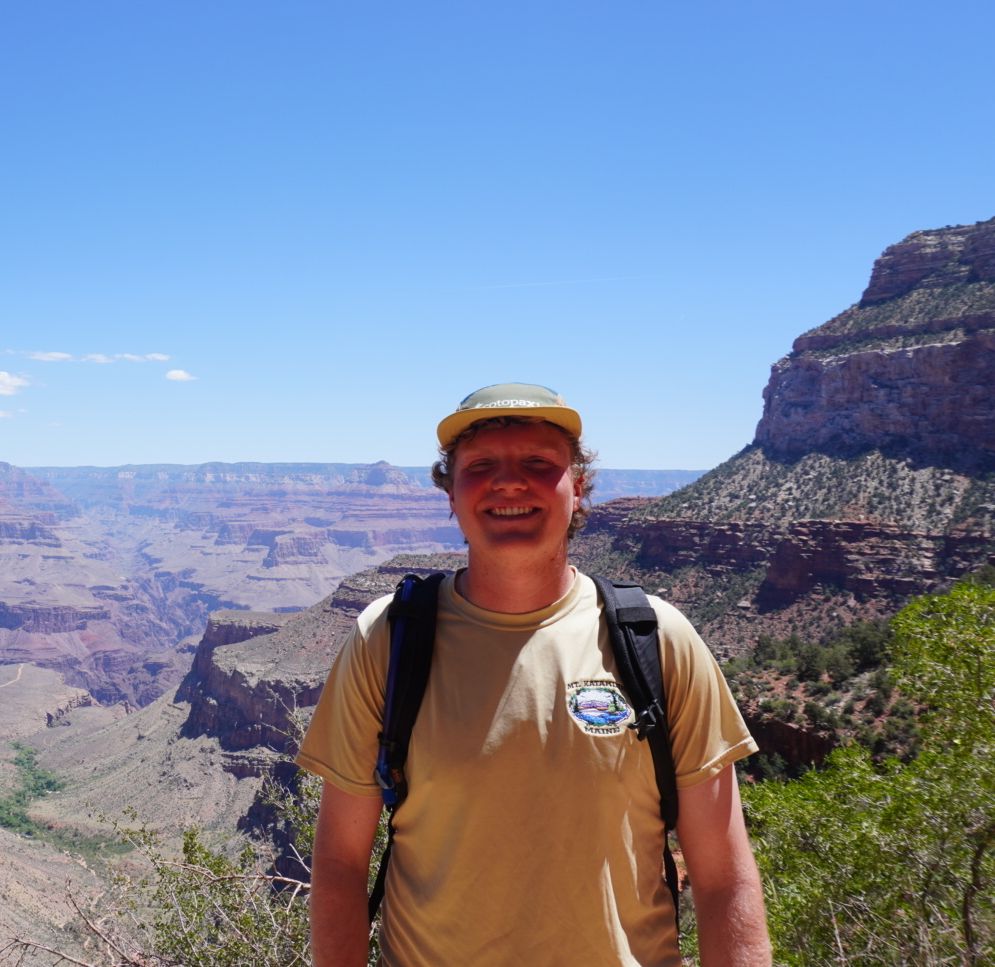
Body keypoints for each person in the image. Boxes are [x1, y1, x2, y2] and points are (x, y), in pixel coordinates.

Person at [297, 383, 772, 967]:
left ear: (579, 490)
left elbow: (724, 877)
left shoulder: (658, 639)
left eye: (539, 463)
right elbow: (341, 863)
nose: (509, 481)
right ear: (451, 493)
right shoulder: (388, 637)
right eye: (481, 466)